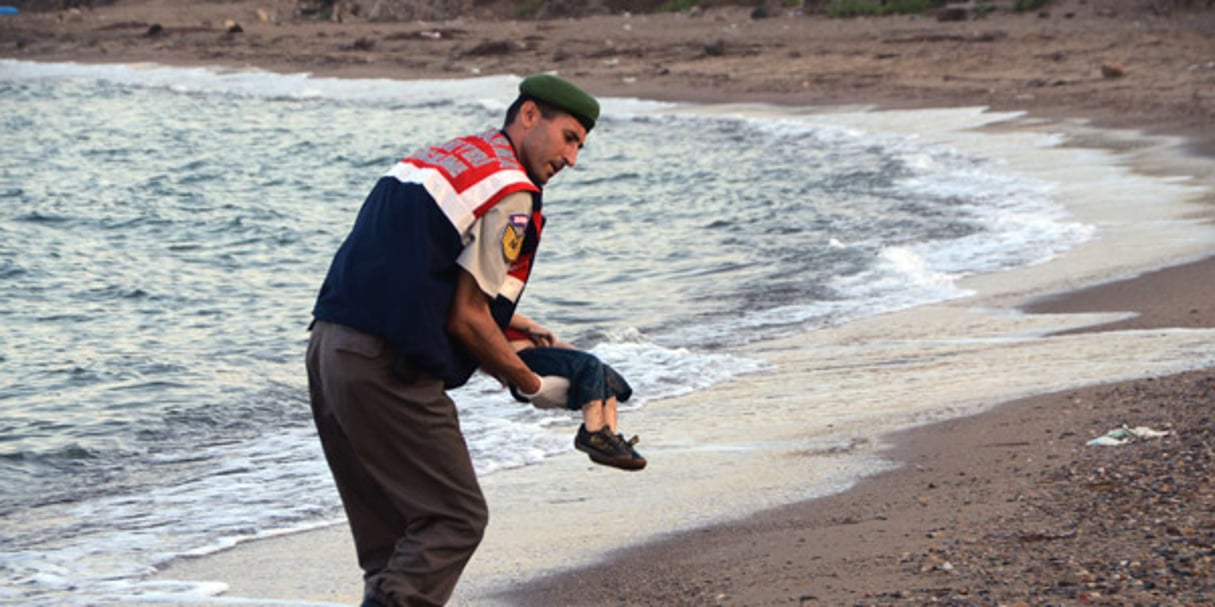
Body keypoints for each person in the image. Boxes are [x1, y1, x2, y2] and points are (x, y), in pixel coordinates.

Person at [305, 74, 599, 607]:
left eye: (580, 144)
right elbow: (465, 319)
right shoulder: (512, 190)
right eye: (570, 137)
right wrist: (532, 384)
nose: (572, 158)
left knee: (391, 544)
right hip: (384, 368)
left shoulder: (446, 157)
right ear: (529, 115)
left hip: (328, 350)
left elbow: (417, 268)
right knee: (455, 517)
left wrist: (510, 323)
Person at [505, 312, 646, 471]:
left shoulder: (516, 323)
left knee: (603, 372)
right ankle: (592, 434)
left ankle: (609, 441)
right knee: (589, 364)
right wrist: (532, 326)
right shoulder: (492, 311)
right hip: (522, 359)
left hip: (539, 354)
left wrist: (574, 355)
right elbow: (498, 311)